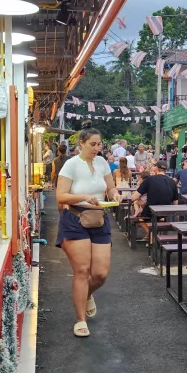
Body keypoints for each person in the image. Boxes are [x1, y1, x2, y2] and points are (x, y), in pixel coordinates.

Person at [55, 128, 120, 338]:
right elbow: (61, 196)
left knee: (100, 273)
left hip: (99, 218)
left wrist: (115, 194)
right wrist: (84, 197)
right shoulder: (71, 164)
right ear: (81, 143)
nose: (97, 148)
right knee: (82, 270)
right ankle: (80, 319)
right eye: (93, 144)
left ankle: (87, 294)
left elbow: (110, 187)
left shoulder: (102, 163)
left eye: (99, 144)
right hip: (75, 219)